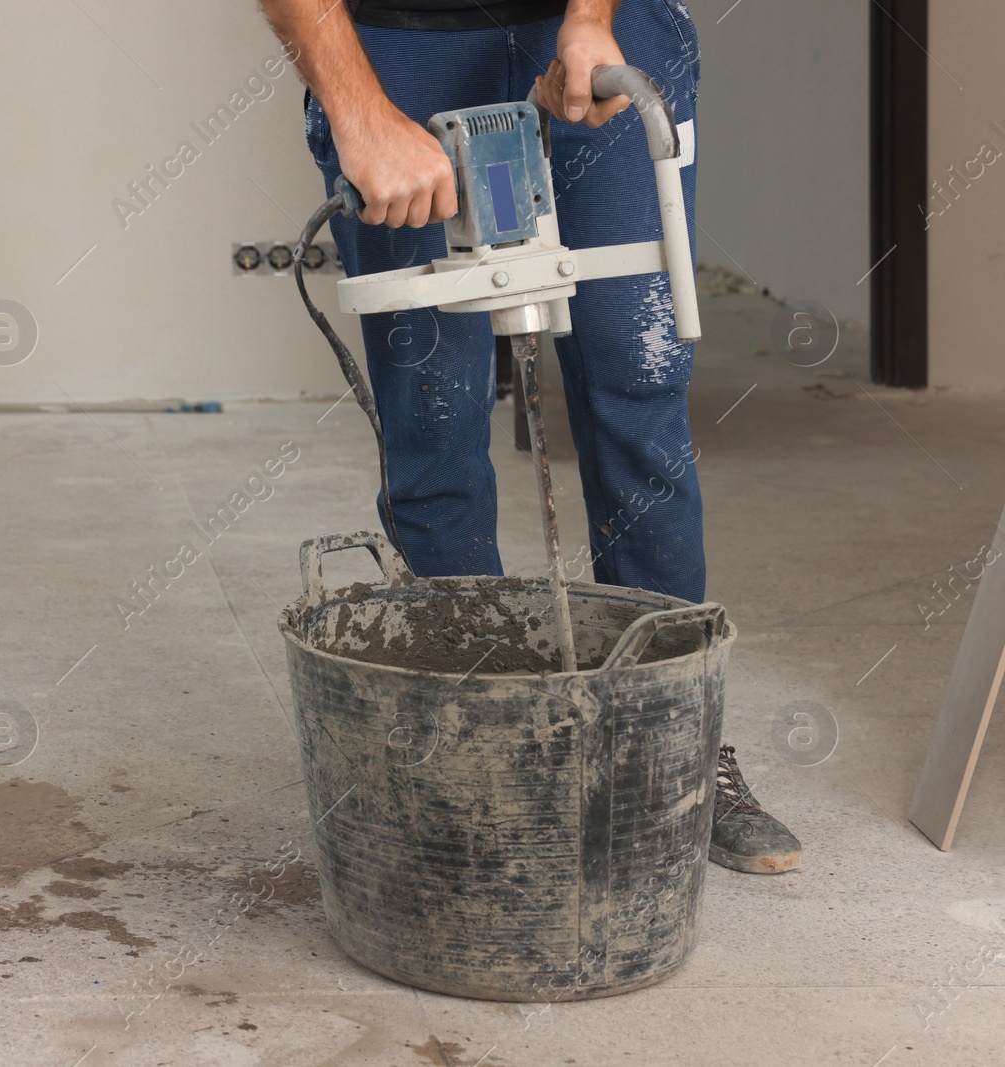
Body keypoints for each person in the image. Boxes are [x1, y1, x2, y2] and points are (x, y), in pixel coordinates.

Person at [259, 0, 800, 873]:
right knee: (431, 415)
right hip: (395, 36)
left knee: (639, 381)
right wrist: (359, 113)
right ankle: (477, 762)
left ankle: (672, 751)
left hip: (600, 29)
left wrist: (589, 18)